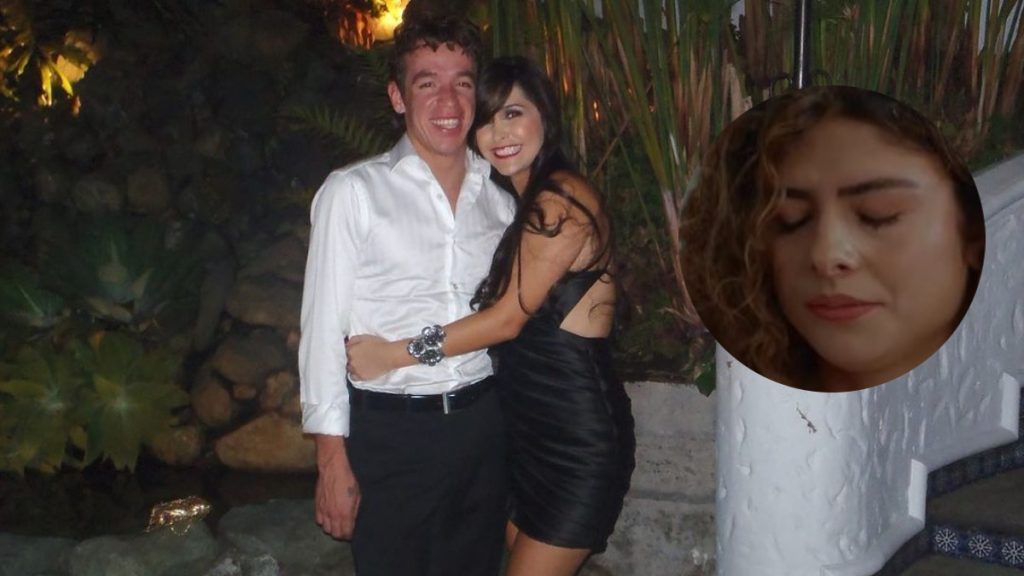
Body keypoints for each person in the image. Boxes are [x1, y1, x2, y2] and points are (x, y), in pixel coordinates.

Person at [347, 56, 636, 576]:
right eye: (485, 119)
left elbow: (506, 321)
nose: (498, 133)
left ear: (544, 115)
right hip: (526, 435)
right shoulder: (516, 205)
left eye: (513, 114)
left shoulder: (560, 200)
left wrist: (391, 354)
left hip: (575, 441)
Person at [298, 14, 516, 576]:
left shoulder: (501, 201)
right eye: (427, 82)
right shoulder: (353, 192)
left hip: (483, 427)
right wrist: (331, 460)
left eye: (462, 82)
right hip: (391, 436)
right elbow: (321, 332)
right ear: (398, 97)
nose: (448, 100)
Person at [680, 85, 985, 392]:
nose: (825, 255)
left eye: (878, 214)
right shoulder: (746, 405)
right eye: (790, 219)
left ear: (972, 229)